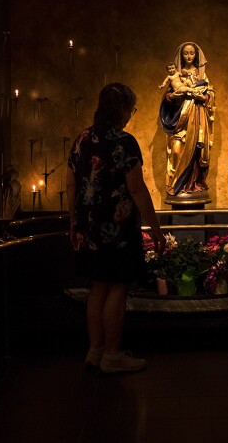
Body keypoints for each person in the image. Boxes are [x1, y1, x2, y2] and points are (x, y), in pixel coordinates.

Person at [67, 83, 166, 373]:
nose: (130, 116)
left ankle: (95, 351)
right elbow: (136, 188)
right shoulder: (124, 141)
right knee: (118, 288)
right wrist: (156, 229)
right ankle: (112, 355)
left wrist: (73, 222)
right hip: (118, 230)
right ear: (121, 109)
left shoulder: (82, 139)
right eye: (130, 109)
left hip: (88, 228)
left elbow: (71, 183)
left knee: (97, 288)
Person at [158, 42, 215, 199]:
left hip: (198, 117)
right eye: (185, 53)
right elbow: (169, 94)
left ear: (196, 55)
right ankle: (176, 184)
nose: (189, 56)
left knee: (197, 148)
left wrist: (203, 97)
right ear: (180, 56)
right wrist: (172, 97)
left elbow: (210, 93)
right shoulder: (176, 73)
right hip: (180, 118)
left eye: (192, 53)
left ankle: (194, 183)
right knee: (177, 148)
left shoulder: (201, 74)